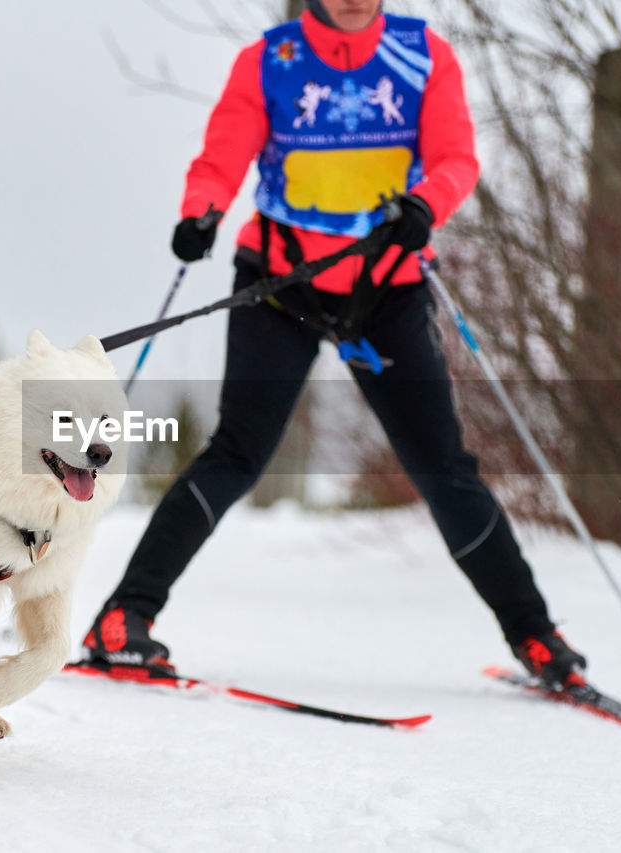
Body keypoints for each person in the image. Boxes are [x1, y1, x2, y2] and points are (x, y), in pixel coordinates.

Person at [82, 0, 587, 689]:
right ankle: (122, 619)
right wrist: (202, 210)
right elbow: (222, 155)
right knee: (238, 451)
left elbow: (455, 159)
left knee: (443, 467)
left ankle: (535, 636)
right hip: (281, 284)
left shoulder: (422, 56)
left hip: (386, 289)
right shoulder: (270, 61)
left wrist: (426, 205)